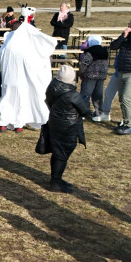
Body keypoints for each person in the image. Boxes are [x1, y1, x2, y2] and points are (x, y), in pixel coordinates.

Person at [0, 21, 58, 132]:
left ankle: (3, 122)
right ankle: (18, 125)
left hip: (7, 79)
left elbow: (0, 54)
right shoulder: (23, 48)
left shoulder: (7, 46)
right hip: (20, 80)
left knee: (7, 100)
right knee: (21, 102)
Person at [98, 18, 131, 135]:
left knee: (127, 97)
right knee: (122, 98)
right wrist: (123, 36)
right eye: (130, 24)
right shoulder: (126, 36)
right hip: (122, 70)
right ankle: (125, 121)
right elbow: (113, 46)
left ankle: (129, 124)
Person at [44, 65, 90, 193]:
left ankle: (55, 178)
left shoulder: (52, 87)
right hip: (68, 127)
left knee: (56, 151)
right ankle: (55, 182)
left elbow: (48, 102)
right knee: (62, 154)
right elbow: (85, 111)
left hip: (54, 122)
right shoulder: (73, 95)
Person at [78, 35, 109, 114]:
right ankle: (99, 112)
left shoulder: (89, 52)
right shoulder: (105, 52)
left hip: (89, 76)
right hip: (101, 77)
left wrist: (80, 73)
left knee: (85, 94)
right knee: (98, 95)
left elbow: (84, 64)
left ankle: (83, 112)